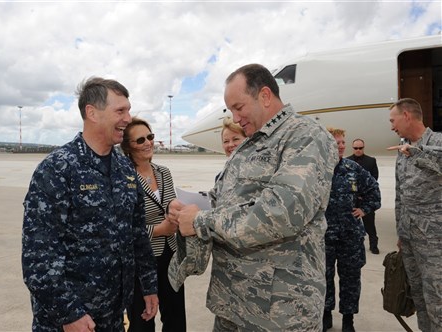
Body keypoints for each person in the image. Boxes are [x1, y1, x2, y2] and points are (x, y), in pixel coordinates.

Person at [168, 63, 339, 331]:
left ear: (265, 96)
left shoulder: (305, 136)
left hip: (279, 310)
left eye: (239, 107)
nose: (235, 118)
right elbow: (226, 198)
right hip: (232, 302)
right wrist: (190, 208)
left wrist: (201, 221)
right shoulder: (250, 143)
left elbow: (282, 212)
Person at [22, 77, 159, 332]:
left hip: (113, 317)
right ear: (92, 113)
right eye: (120, 111)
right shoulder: (58, 169)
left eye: (128, 110)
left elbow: (137, 235)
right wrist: (69, 313)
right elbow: (38, 256)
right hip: (68, 321)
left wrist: (149, 286)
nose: (128, 118)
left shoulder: (125, 170)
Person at [120, 117, 186, 332]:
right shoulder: (123, 177)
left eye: (150, 137)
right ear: (128, 147)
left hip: (171, 255)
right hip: (141, 260)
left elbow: (167, 205)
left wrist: (175, 211)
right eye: (140, 140)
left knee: (176, 318)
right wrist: (158, 230)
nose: (148, 142)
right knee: (142, 322)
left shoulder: (163, 172)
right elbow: (123, 226)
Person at [387, 98, 442, 332]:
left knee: (437, 299)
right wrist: (400, 230)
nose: (391, 126)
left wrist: (416, 153)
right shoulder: (402, 148)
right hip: (409, 238)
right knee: (419, 297)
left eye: (393, 120)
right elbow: (400, 194)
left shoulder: (437, 142)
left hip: (434, 241)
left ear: (407, 115)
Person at [323, 128, 381, 332]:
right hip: (324, 238)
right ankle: (325, 315)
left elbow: (374, 191)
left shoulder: (353, 168)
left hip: (350, 237)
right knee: (324, 278)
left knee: (350, 280)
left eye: (342, 143)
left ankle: (348, 319)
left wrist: (364, 209)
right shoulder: (316, 170)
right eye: (336, 142)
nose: (340, 146)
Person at [346, 138, 381, 254]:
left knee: (370, 224)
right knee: (350, 224)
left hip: (366, 199)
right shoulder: (347, 161)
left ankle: (373, 245)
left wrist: (363, 194)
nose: (358, 150)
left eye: (360, 148)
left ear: (363, 148)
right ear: (353, 148)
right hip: (352, 199)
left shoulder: (371, 161)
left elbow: (374, 178)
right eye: (356, 148)